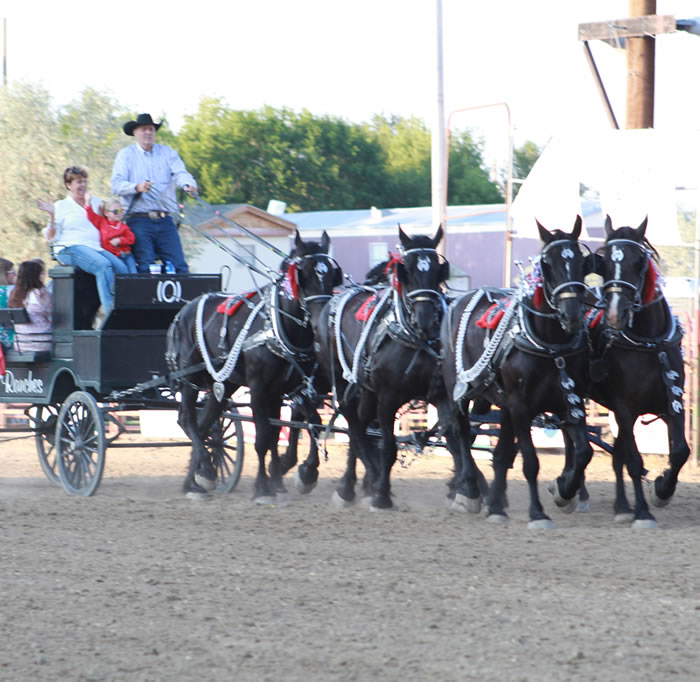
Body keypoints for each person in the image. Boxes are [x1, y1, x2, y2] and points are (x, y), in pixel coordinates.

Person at [37, 166, 129, 325]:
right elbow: (51, 237)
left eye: (85, 181)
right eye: (79, 182)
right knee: (103, 266)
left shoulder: (96, 201)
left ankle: (125, 312)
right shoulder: (60, 206)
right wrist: (52, 215)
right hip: (70, 247)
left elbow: (111, 219)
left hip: (96, 247)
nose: (83, 185)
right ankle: (111, 317)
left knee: (122, 269)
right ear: (68, 185)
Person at [111, 113, 198, 274]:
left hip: (165, 220)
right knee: (146, 267)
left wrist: (188, 185)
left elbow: (180, 173)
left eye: (151, 129)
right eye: (144, 129)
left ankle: (182, 298)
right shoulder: (126, 155)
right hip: (139, 220)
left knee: (179, 266)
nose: (148, 132)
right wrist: (136, 187)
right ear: (135, 133)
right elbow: (116, 185)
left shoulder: (168, 153)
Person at [85, 196, 138, 273]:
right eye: (116, 211)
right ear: (106, 213)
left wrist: (120, 240)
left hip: (127, 255)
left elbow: (131, 238)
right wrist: (88, 203)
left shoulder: (123, 226)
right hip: (113, 256)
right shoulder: (102, 222)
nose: (119, 214)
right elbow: (91, 216)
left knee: (133, 274)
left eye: (121, 211)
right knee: (121, 273)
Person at [8, 260, 52, 352]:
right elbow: (52, 315)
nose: (44, 277)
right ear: (35, 276)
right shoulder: (41, 293)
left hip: (20, 344)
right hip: (42, 342)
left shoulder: (14, 294)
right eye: (42, 274)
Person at [0, 257, 17, 349]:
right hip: (7, 340)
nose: (15, 275)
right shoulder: (10, 290)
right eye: (13, 272)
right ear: (3, 274)